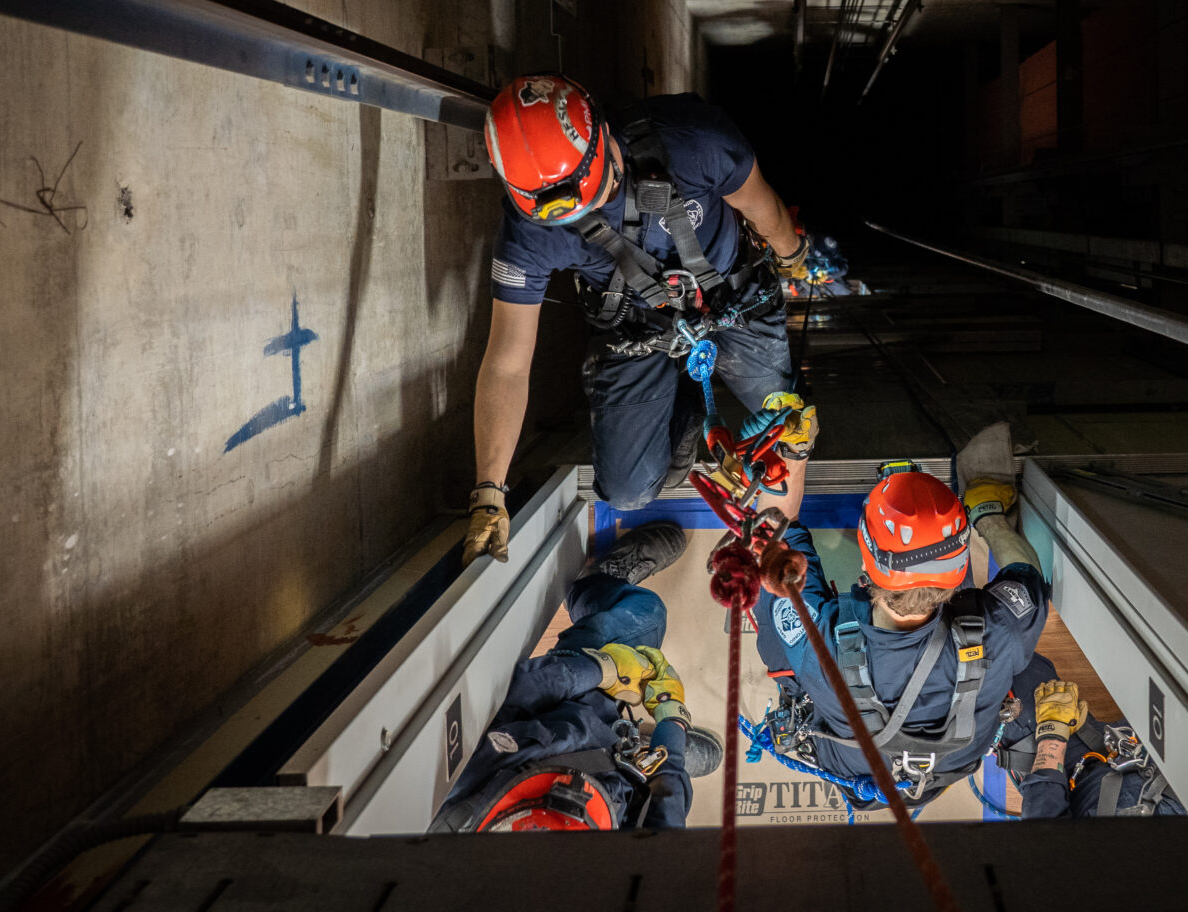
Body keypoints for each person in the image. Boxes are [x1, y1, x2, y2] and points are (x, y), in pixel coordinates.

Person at [462, 74, 817, 566]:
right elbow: (506, 363)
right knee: (627, 493)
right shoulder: (529, 231)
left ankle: (773, 540)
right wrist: (488, 492)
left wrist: (789, 252)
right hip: (637, 330)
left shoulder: (696, 141)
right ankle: (684, 408)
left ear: (605, 139)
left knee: (789, 429)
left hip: (733, 298)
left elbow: (764, 208)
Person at [751, 460, 1049, 805]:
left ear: (866, 561)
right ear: (960, 562)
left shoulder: (819, 647)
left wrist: (793, 451)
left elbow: (773, 531)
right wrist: (989, 515)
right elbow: (1025, 572)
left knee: (774, 601)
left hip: (854, 769)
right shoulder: (1002, 630)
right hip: (941, 771)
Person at [429, 522, 723, 832]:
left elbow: (510, 695)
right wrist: (672, 728)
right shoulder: (638, 870)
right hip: (611, 784)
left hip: (558, 713)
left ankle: (596, 584)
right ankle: (642, 755)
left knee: (647, 612)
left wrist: (601, 668)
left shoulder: (459, 794)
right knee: (649, 620)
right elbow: (666, 813)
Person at [991, 660, 1187, 818]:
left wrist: (1053, 731)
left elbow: (1044, 817)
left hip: (1067, 768)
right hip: (1144, 758)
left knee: (1007, 667)